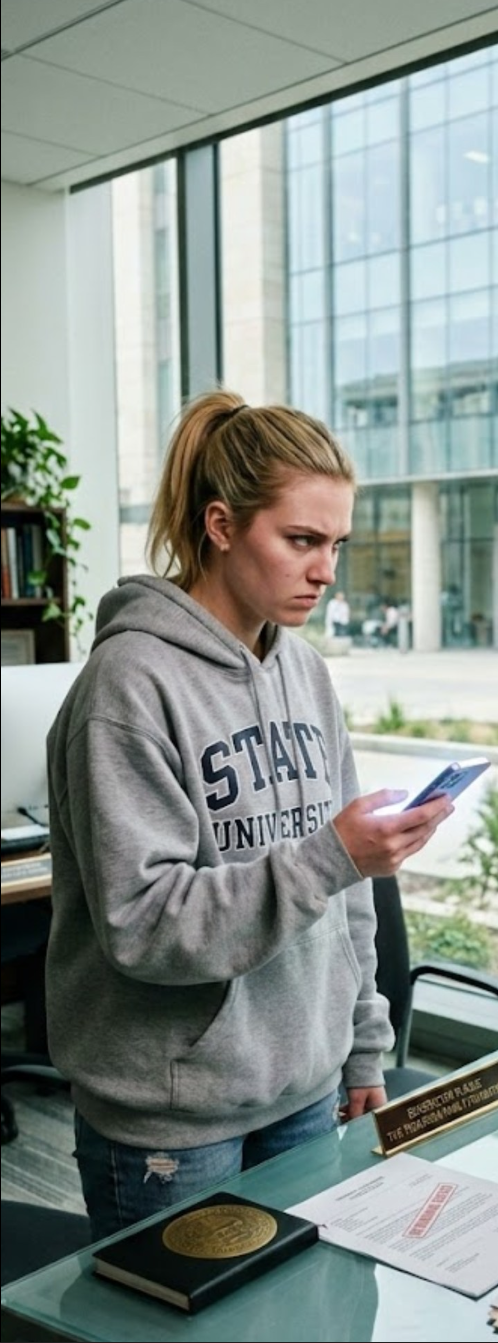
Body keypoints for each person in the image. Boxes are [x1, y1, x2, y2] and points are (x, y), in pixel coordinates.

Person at [45, 389, 453, 1240]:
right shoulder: (128, 688)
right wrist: (328, 856)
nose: (326, 569)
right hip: (171, 1119)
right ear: (222, 525)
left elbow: (347, 902)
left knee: (306, 1318)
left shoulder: (304, 672)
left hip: (303, 1087)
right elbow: (144, 925)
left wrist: (362, 1042)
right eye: (301, 539)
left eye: (335, 543)